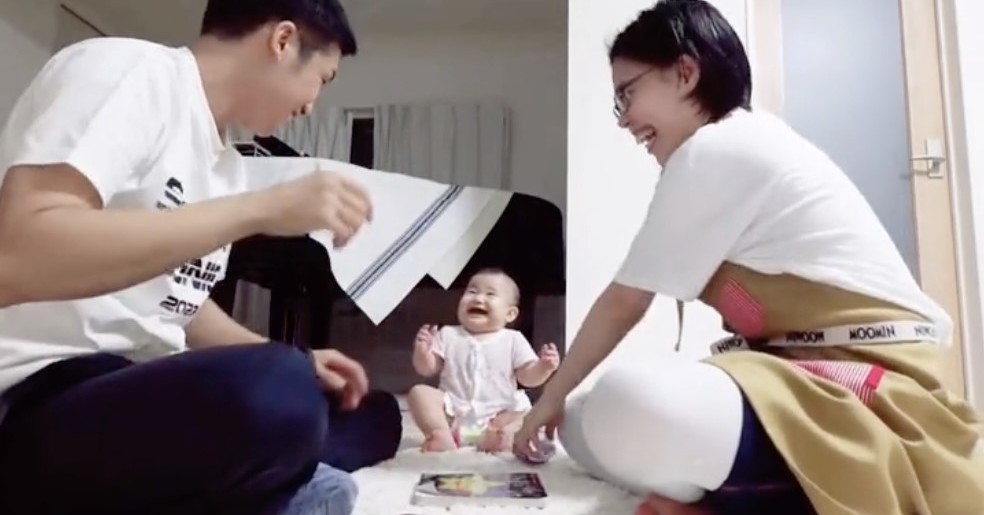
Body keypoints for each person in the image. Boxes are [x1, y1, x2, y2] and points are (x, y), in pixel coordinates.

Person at [513, 1, 984, 514]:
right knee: (583, 419)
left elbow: (626, 301)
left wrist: (549, 397)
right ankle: (741, 494)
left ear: (686, 72)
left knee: (624, 404)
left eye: (628, 93)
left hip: (867, 386)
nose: (624, 119)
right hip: (789, 375)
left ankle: (756, 494)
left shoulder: (717, 147)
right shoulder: (730, 143)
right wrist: (558, 404)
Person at [0, 1, 403, 514]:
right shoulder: (131, 72)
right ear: (282, 41)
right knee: (280, 394)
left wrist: (299, 358)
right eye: (322, 80)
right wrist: (260, 209)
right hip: (38, 398)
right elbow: (19, 253)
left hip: (142, 393)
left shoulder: (225, 164)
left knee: (372, 412)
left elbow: (178, 304)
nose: (310, 107)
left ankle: (260, 484)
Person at [407, 268, 560, 453]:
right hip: (454, 414)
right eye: (471, 291)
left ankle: (494, 440)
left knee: (523, 419)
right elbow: (427, 369)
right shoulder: (448, 334)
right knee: (419, 393)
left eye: (490, 294)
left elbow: (527, 378)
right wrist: (423, 352)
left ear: (510, 314)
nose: (478, 298)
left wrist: (543, 367)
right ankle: (441, 433)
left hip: (499, 416)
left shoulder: (513, 339)